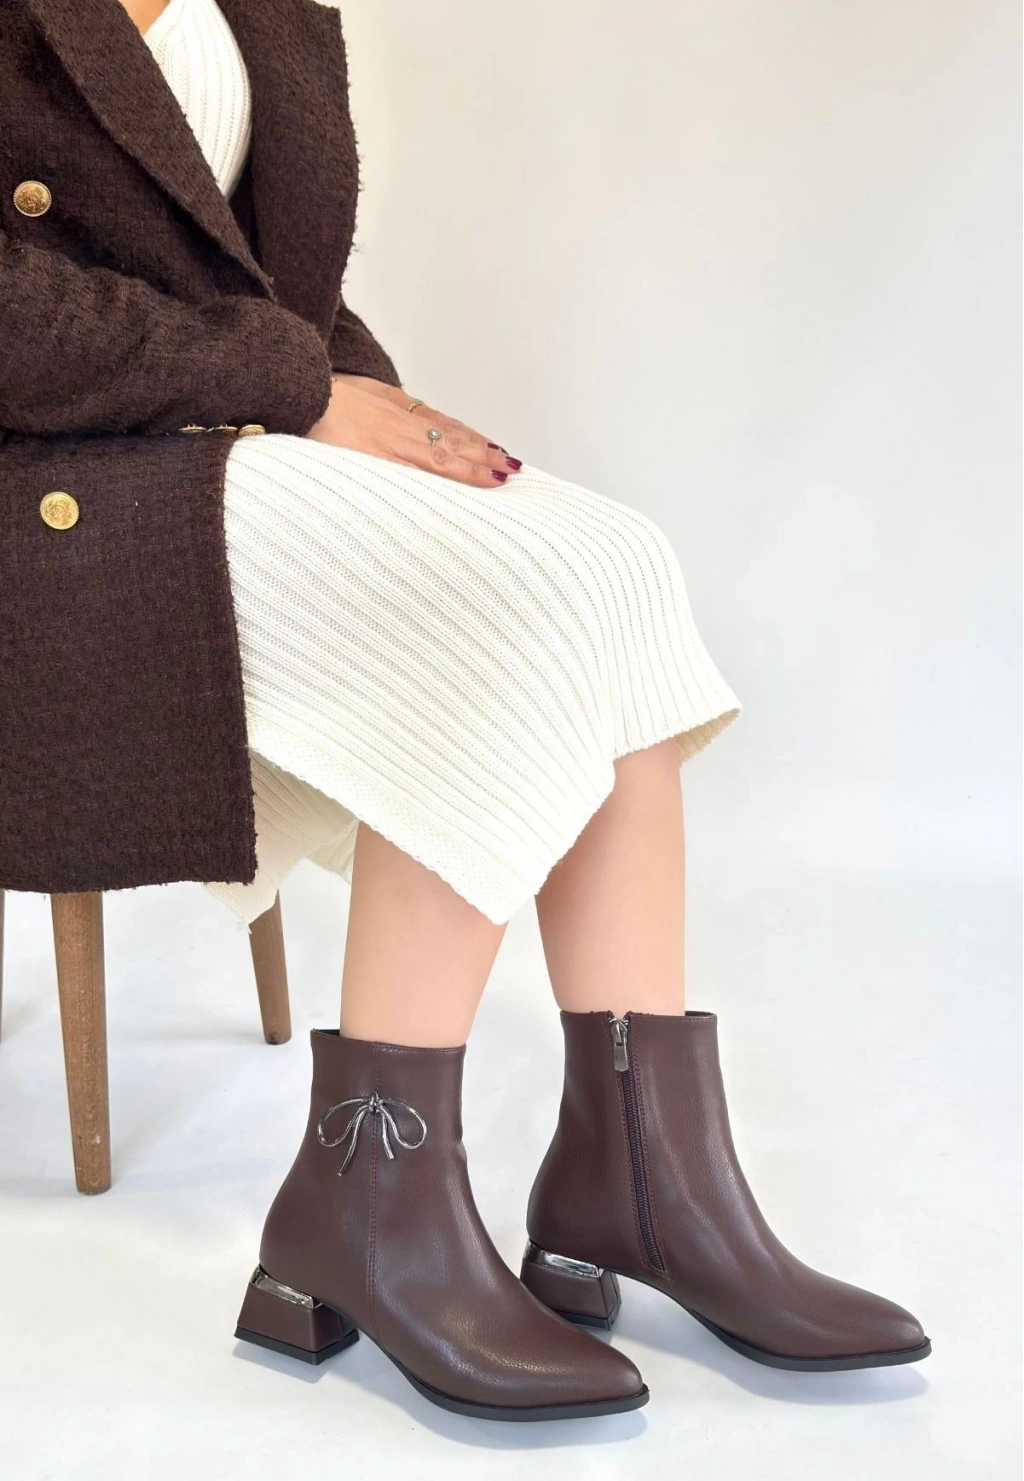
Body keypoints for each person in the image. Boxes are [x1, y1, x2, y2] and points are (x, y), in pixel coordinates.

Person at [0, 0, 929, 1424]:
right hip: (48, 476)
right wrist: (305, 392)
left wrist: (383, 414)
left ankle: (643, 1181)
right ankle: (368, 1208)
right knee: (496, 596)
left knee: (606, 557)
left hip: (205, 434)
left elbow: (271, 289)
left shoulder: (271, 14)